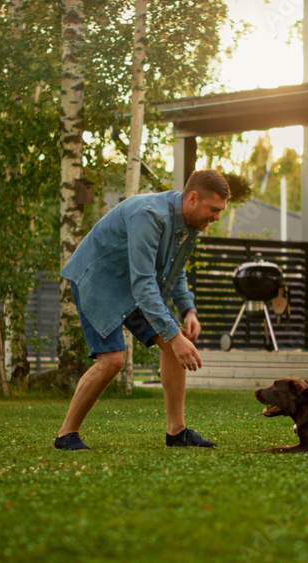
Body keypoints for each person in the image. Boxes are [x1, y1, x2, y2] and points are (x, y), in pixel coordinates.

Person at [55, 169, 230, 450]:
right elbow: (144, 284)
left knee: (175, 343)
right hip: (97, 278)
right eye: (214, 209)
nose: (217, 217)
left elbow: (175, 270)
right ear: (193, 198)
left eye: (221, 210)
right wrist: (174, 335)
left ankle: (177, 432)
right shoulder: (151, 215)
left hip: (133, 285)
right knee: (112, 360)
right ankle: (66, 434)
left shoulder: (188, 225)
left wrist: (188, 311)